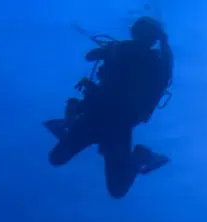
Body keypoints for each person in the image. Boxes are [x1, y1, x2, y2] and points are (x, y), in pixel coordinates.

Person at [45, 17, 173, 198]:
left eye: (147, 33)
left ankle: (140, 156)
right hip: (94, 115)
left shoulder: (155, 62)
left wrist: (164, 44)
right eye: (139, 32)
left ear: (154, 39)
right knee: (56, 158)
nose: (141, 37)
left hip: (119, 125)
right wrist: (111, 51)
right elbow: (90, 56)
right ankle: (70, 125)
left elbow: (166, 73)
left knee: (117, 189)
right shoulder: (119, 50)